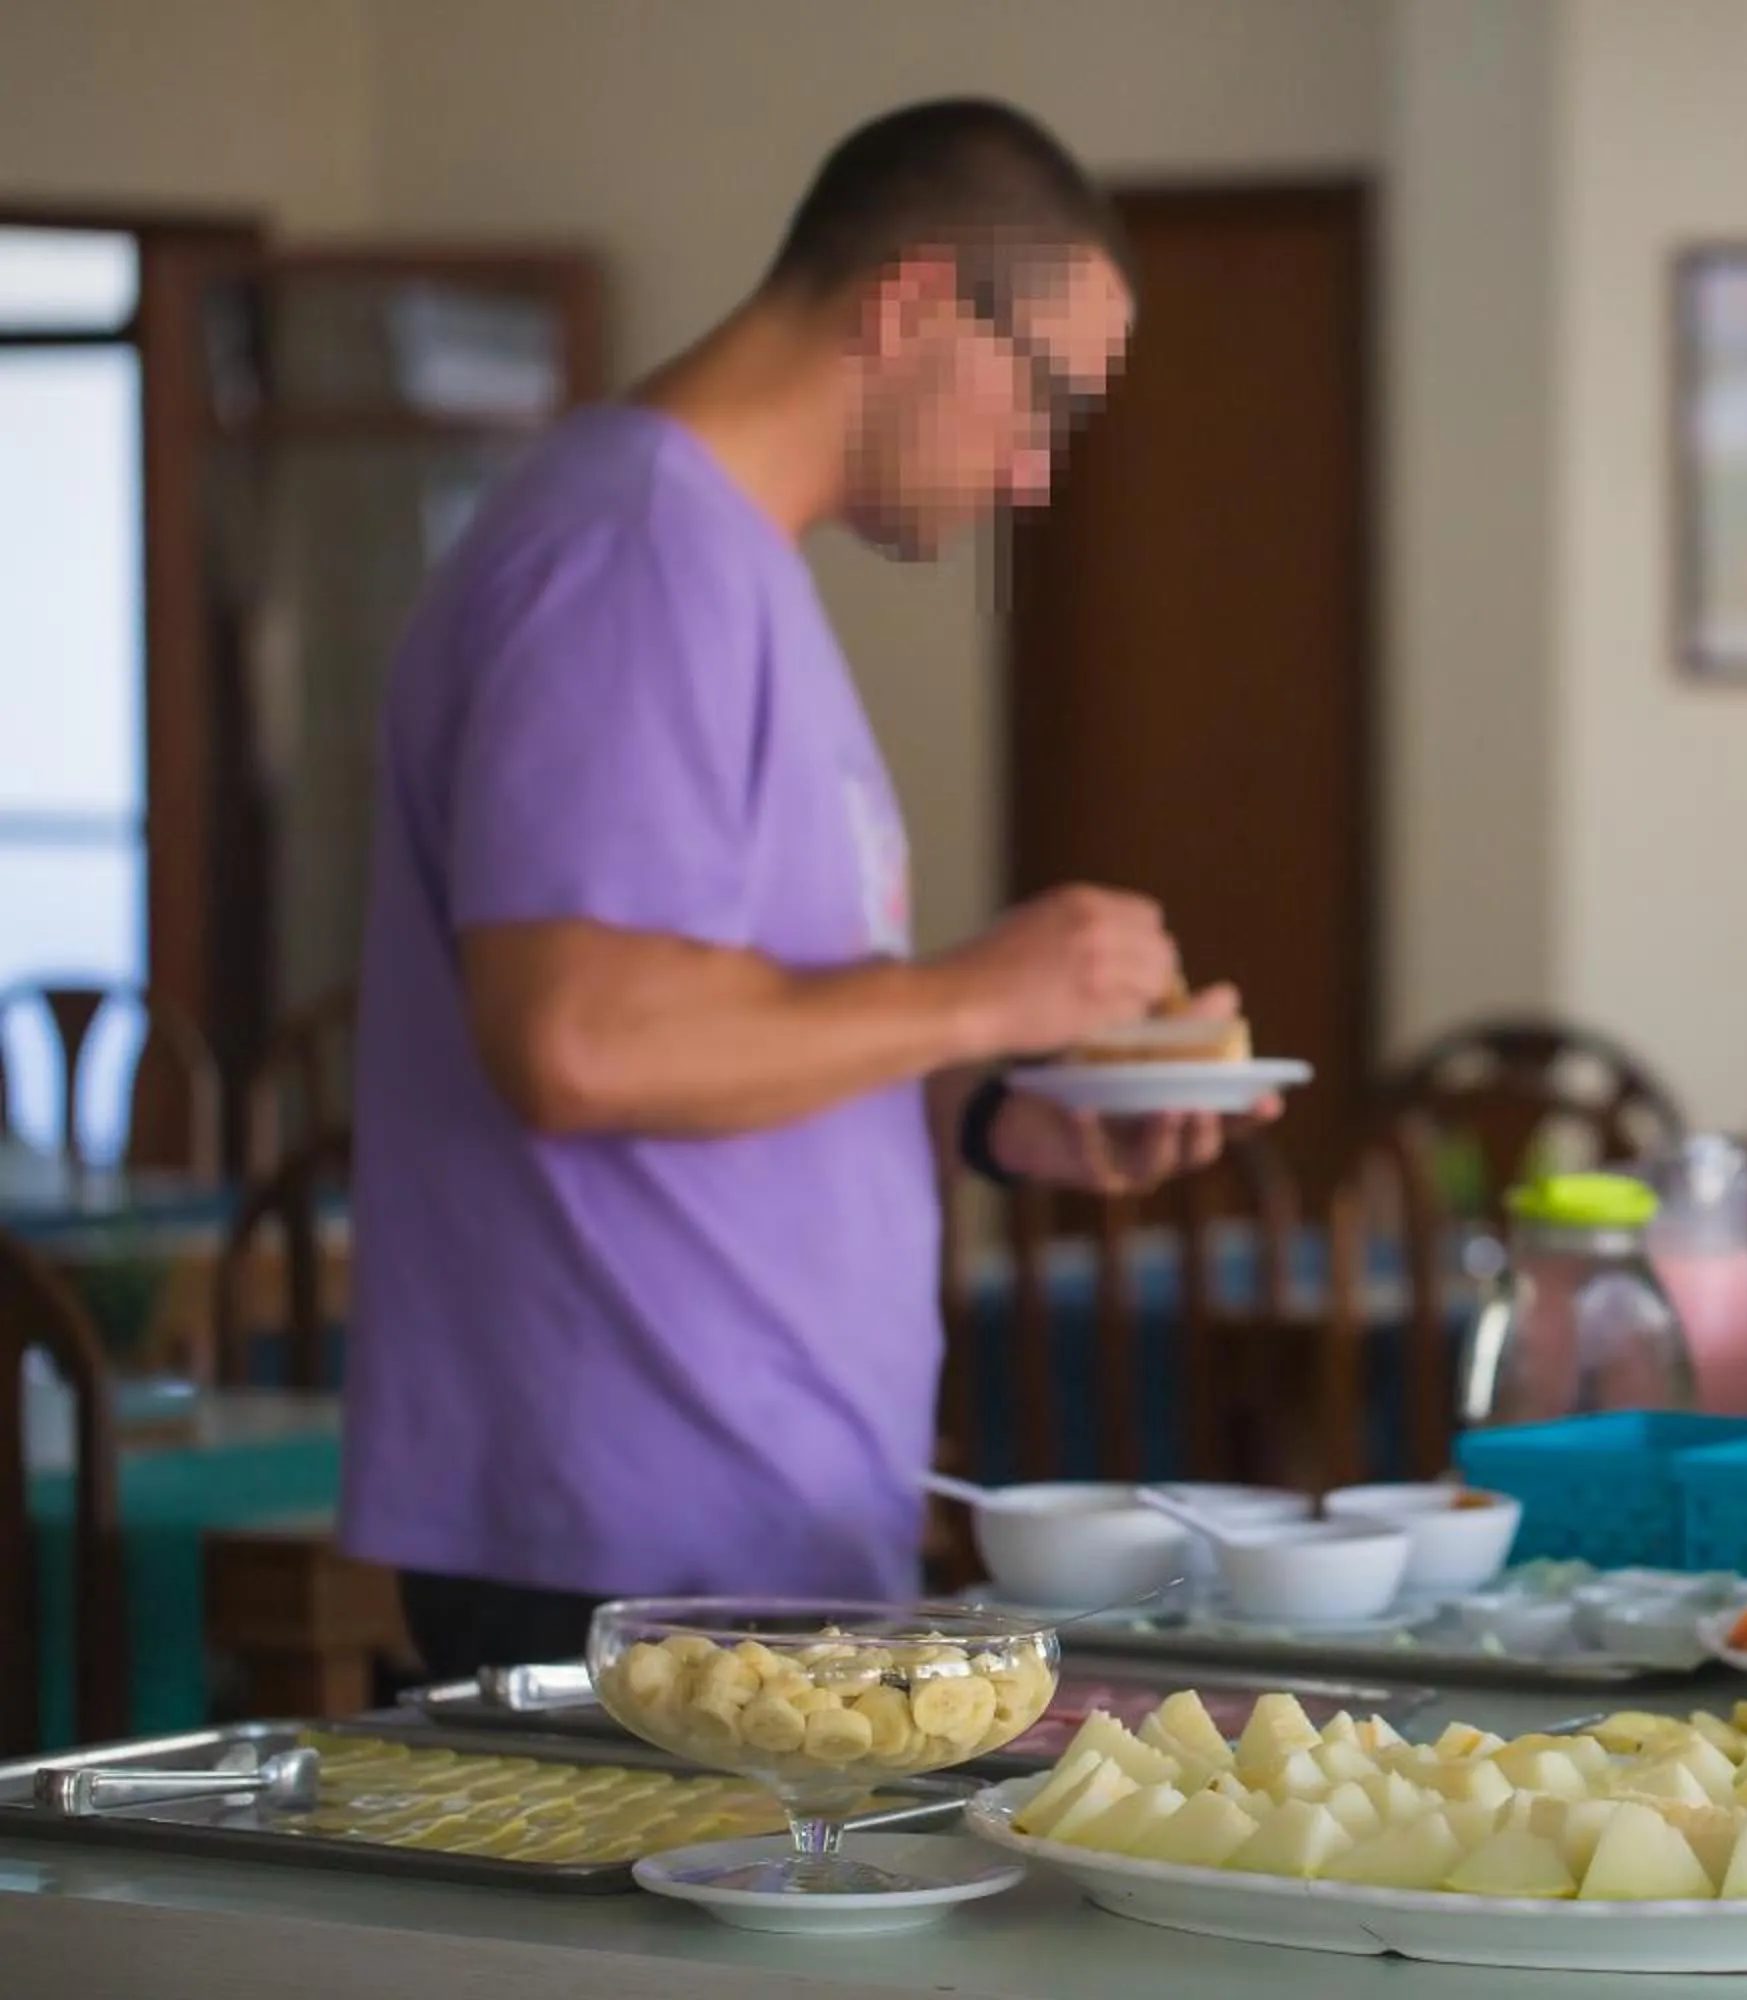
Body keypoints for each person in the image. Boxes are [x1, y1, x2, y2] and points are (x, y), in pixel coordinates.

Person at [339, 98, 1253, 1679]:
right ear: (910, 302)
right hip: (627, 1548)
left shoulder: (725, 560)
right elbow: (581, 1042)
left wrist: (988, 1103)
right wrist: (989, 988)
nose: (1036, 475)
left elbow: (731, 1020)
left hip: (739, 1526)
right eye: (1046, 402)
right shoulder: (636, 553)